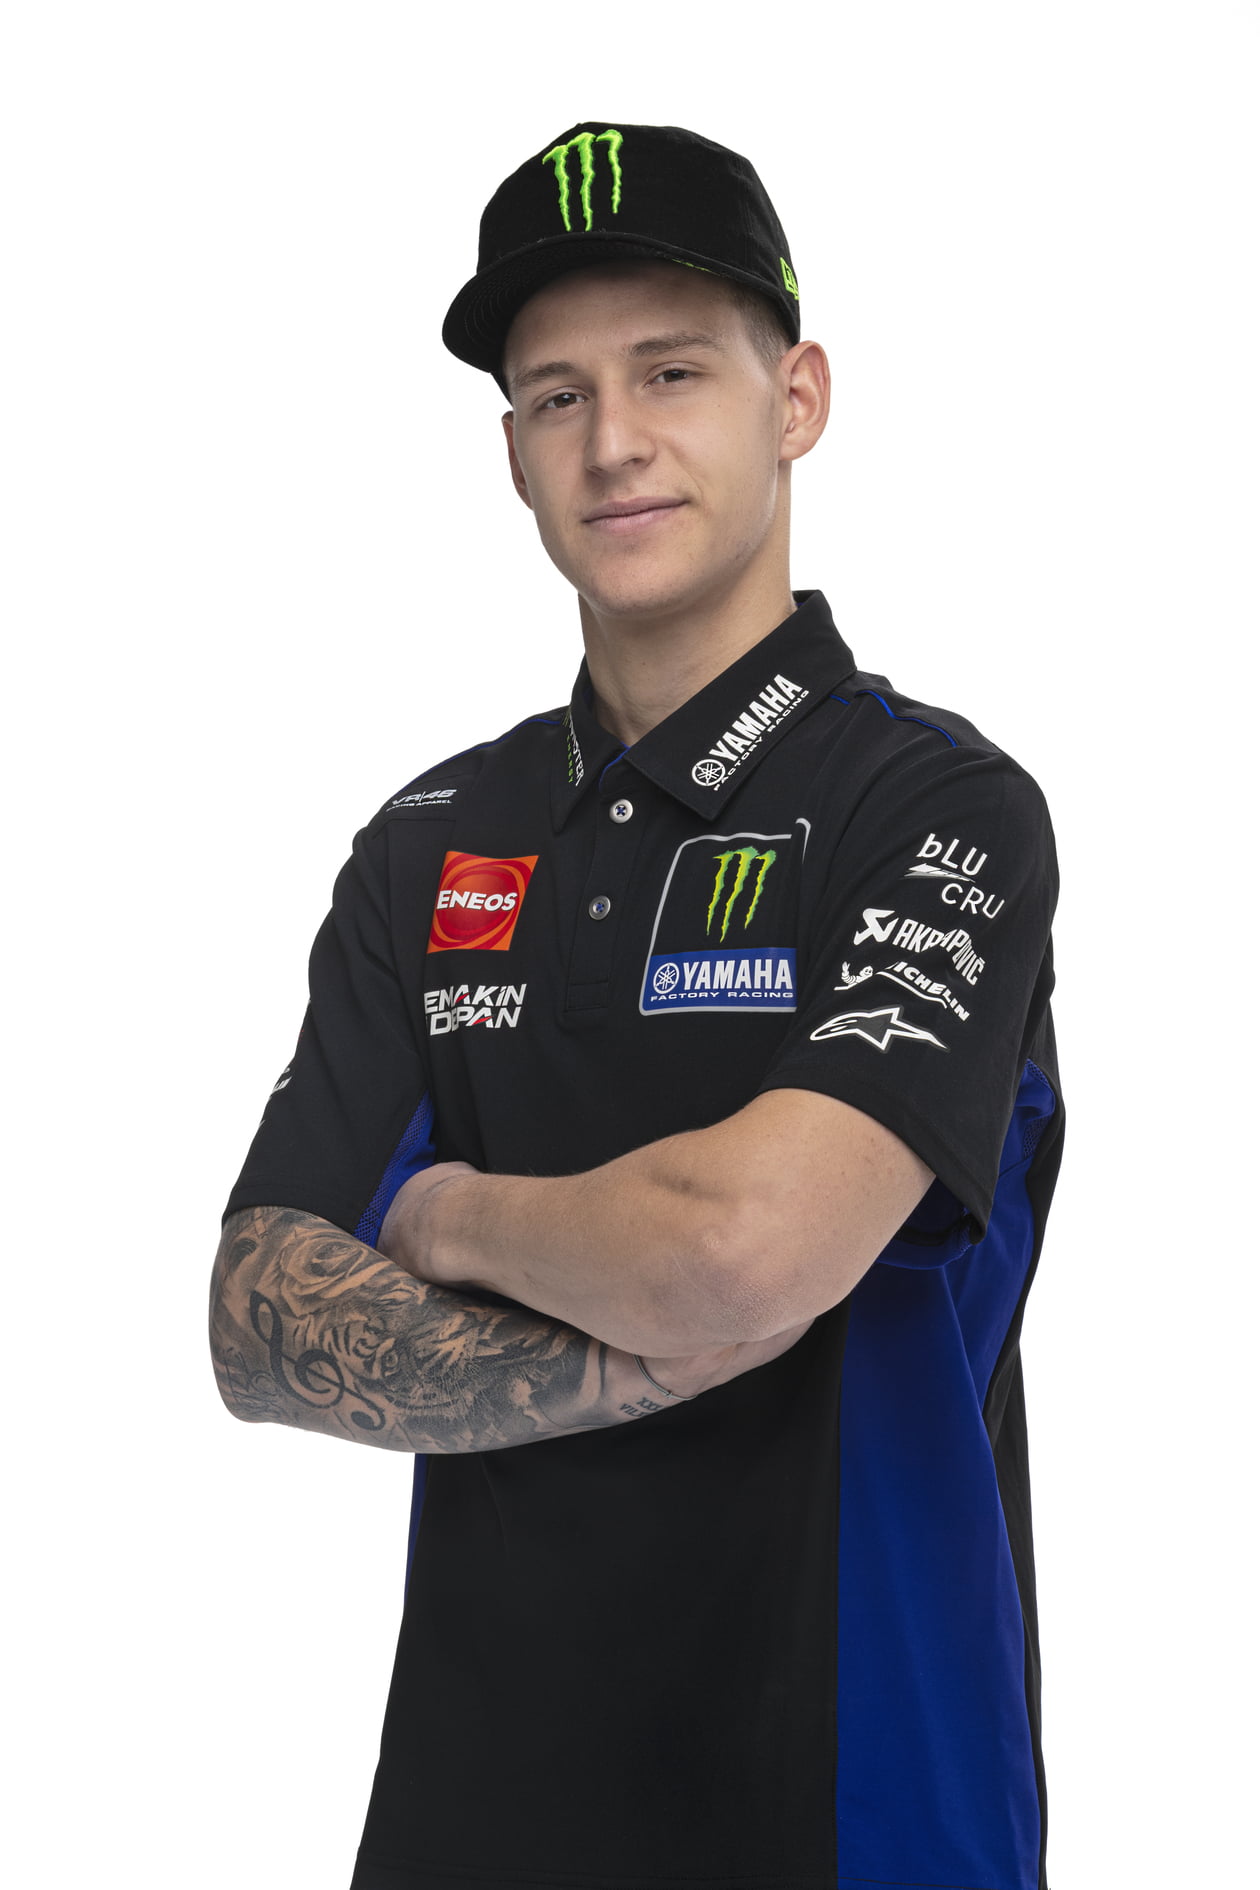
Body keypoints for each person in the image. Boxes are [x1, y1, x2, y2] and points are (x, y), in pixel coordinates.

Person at [210, 121, 1064, 1890]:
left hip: (858, 1814)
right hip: (467, 1830)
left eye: (671, 371)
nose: (613, 441)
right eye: (556, 395)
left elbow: (744, 1248)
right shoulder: (431, 844)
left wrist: (445, 1213)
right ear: (512, 452)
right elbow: (257, 1320)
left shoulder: (934, 810)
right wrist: (635, 1328)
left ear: (795, 398)